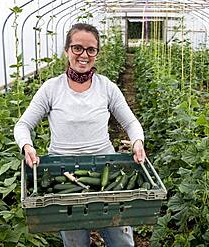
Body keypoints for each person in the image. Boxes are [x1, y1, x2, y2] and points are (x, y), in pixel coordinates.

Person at [14, 23, 145, 247]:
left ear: (97, 53)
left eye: (91, 49)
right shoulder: (51, 88)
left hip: (106, 167)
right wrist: (27, 146)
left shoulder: (107, 87)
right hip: (63, 172)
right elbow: (23, 125)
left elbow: (131, 122)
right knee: (75, 242)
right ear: (67, 50)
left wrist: (138, 142)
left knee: (121, 238)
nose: (84, 55)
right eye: (77, 48)